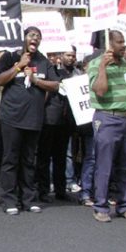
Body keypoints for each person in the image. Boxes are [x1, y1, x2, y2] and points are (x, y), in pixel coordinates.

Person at [0, 26, 59, 215]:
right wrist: (18, 66)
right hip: (11, 118)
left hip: (34, 119)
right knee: (10, 159)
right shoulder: (9, 57)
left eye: (38, 37)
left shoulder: (43, 61)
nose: (35, 39)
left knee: (29, 160)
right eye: (32, 35)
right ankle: (8, 200)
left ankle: (28, 199)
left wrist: (37, 81)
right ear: (23, 38)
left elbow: (55, 85)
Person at [88, 30, 126, 222]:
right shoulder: (95, 64)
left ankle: (124, 205)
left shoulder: (125, 64)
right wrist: (103, 66)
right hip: (107, 119)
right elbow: (100, 91)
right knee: (105, 165)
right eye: (120, 42)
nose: (124, 45)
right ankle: (100, 206)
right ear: (109, 44)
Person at [37, 48, 80, 202]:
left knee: (60, 157)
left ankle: (60, 190)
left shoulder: (74, 74)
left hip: (65, 121)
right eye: (51, 55)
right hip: (49, 119)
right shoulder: (48, 72)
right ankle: (43, 190)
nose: (53, 58)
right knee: (44, 157)